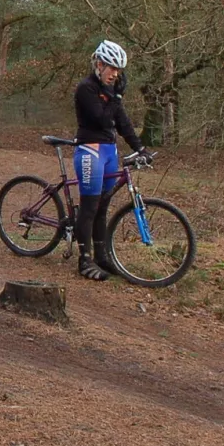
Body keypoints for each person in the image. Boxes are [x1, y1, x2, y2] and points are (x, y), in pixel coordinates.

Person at [70, 39, 151, 281]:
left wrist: (140, 148)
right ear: (99, 64)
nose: (115, 74)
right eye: (111, 68)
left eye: (118, 70)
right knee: (89, 207)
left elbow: (123, 122)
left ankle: (102, 256)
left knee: (102, 208)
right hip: (90, 151)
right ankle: (84, 260)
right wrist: (116, 97)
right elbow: (101, 119)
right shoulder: (86, 88)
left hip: (108, 152)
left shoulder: (110, 93)